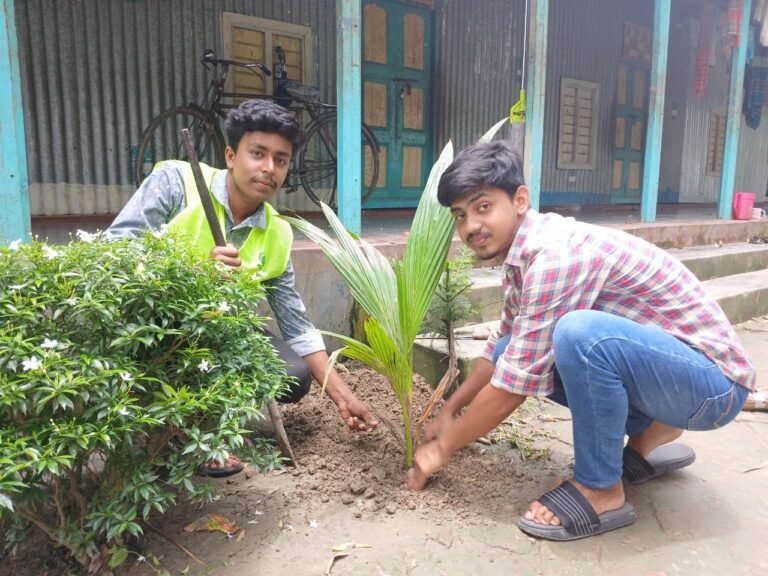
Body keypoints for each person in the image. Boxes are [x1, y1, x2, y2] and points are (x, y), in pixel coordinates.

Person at [406, 140, 756, 541]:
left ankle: (601, 489)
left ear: (520, 200)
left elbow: (513, 387)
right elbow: (502, 344)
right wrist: (450, 409)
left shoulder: (554, 256)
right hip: (675, 377)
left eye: (483, 207)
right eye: (460, 215)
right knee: (509, 349)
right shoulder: (523, 257)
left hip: (714, 387)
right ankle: (652, 431)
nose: (470, 227)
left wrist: (443, 448)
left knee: (579, 335)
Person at [108, 99, 378, 476]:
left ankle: (213, 418)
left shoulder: (277, 232)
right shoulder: (176, 183)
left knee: (292, 375)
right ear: (231, 155)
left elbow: (297, 326)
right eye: (258, 153)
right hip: (156, 326)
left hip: (222, 328)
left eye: (281, 160)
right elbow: (112, 252)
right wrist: (191, 273)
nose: (269, 168)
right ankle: (179, 429)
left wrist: (344, 397)